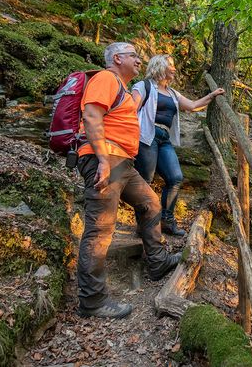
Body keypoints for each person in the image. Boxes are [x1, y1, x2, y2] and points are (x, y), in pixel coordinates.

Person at [76, 42, 181, 319]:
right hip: (105, 158)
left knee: (151, 203)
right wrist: (101, 159)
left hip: (123, 162)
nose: (139, 60)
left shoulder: (121, 87)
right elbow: (91, 115)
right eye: (134, 55)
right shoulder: (105, 78)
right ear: (117, 58)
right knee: (100, 230)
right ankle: (92, 300)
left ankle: (157, 261)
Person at [132, 54, 224, 236]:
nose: (174, 69)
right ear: (160, 66)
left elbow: (193, 105)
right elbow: (130, 110)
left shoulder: (173, 93)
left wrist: (212, 95)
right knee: (145, 180)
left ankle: (167, 221)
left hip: (164, 138)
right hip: (146, 137)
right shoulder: (143, 86)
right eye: (171, 65)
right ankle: (144, 224)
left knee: (175, 177)